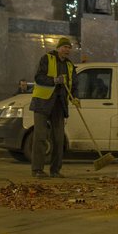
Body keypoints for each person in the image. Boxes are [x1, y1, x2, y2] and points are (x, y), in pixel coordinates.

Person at [29, 38, 75, 179]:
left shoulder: (69, 65)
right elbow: (39, 78)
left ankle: (55, 170)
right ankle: (37, 170)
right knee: (41, 137)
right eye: (64, 47)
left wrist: (75, 97)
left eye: (69, 47)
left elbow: (74, 84)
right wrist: (54, 80)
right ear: (58, 47)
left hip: (59, 105)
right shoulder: (47, 59)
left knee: (59, 139)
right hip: (43, 103)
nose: (67, 50)